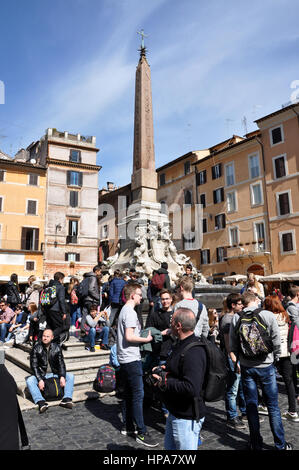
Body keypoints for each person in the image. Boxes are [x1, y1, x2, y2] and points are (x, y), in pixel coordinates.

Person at [229, 291, 293, 450]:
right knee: (273, 407)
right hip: (266, 365)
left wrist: (237, 361)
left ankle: (255, 444)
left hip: (247, 367)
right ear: (254, 300)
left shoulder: (237, 317)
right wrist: (275, 357)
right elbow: (276, 340)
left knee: (251, 406)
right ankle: (280, 444)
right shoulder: (267, 315)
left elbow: (233, 344)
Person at [152, 307, 207, 450]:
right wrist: (164, 370)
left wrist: (164, 382)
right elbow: (179, 370)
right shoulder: (180, 344)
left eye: (172, 321)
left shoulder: (193, 351)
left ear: (178, 325)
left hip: (187, 417)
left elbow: (191, 387)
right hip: (175, 412)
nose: (169, 324)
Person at [117, 282, 158, 447]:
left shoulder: (123, 311)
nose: (142, 297)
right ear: (133, 295)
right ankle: (141, 431)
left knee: (128, 394)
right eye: (140, 294)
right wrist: (146, 339)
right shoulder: (131, 312)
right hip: (131, 359)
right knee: (138, 395)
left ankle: (128, 427)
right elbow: (129, 336)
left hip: (124, 358)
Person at [264, 295, 299, 422]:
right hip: (288, 352)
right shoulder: (286, 316)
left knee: (267, 379)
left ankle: (266, 406)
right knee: (289, 381)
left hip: (273, 353)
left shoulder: (268, 317)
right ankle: (292, 410)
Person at [26, 329, 74, 413]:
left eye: (47, 336)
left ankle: (66, 399)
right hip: (42, 375)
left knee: (70, 376)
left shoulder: (57, 347)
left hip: (54, 374)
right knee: (30, 380)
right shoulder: (36, 348)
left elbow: (61, 364)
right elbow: (34, 366)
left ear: (52, 337)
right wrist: (40, 379)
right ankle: (41, 402)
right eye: (44, 336)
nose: (45, 338)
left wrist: (62, 376)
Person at [219, 294, 247, 429]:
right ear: (233, 305)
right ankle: (232, 416)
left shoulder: (236, 317)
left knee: (240, 385)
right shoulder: (227, 320)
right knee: (233, 388)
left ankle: (244, 412)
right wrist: (233, 359)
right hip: (232, 357)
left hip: (239, 356)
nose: (242, 306)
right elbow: (228, 343)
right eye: (240, 304)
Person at [45, 272, 69, 344]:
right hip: (56, 309)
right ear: (60, 279)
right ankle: (47, 339)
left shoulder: (49, 286)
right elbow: (61, 300)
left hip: (47, 309)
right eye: (63, 279)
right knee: (59, 327)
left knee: (50, 326)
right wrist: (64, 312)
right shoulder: (60, 287)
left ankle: (49, 342)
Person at [80, 265, 102, 334]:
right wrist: (97, 297)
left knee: (84, 314)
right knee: (93, 315)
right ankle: (93, 331)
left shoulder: (86, 277)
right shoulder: (93, 277)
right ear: (96, 271)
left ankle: (83, 329)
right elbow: (91, 289)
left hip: (85, 299)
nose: (100, 273)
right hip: (91, 299)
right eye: (100, 272)